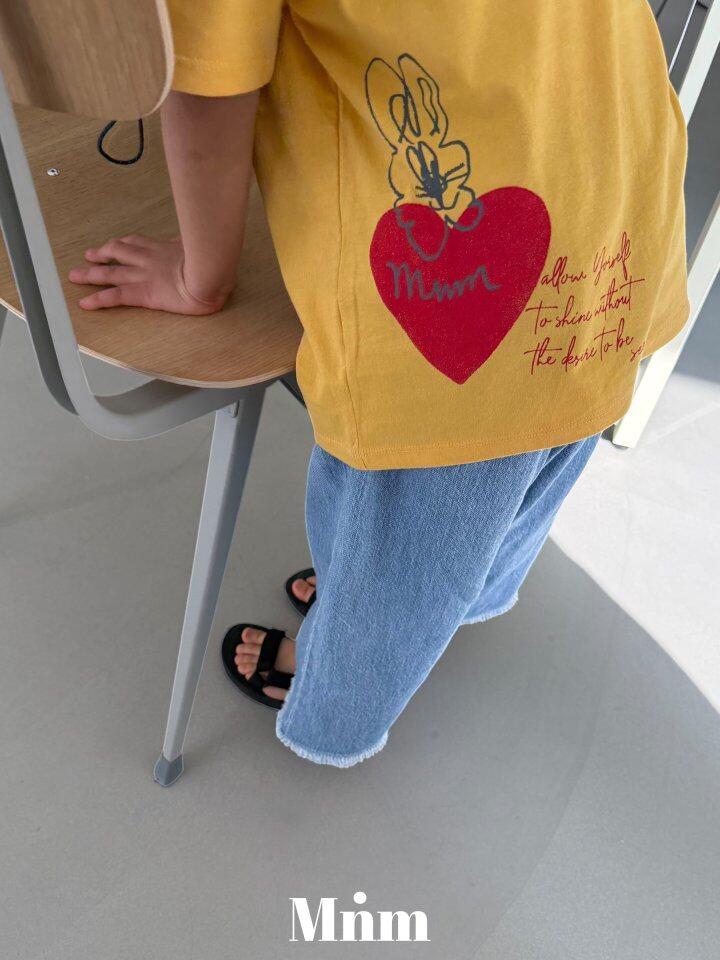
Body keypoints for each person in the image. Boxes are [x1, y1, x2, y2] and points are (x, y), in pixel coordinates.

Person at [69, 1, 689, 767]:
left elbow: (209, 86)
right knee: (555, 423)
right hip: (619, 171)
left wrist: (202, 276)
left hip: (460, 259)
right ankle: (471, 591)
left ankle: (334, 703)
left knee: (403, 528)